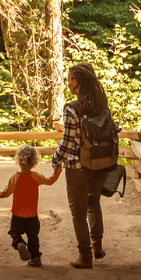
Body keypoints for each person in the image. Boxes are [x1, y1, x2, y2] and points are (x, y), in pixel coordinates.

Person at [51, 63, 115, 269]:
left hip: (77, 167)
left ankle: (84, 256)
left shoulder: (72, 108)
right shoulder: (101, 104)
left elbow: (68, 142)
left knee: (78, 212)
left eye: (69, 79)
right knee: (94, 203)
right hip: (100, 163)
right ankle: (97, 246)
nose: (68, 83)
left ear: (76, 82)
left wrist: (56, 159)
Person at [0, 145, 60, 267]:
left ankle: (19, 243)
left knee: (14, 232)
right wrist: (57, 170)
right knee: (33, 236)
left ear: (18, 161)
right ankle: (35, 258)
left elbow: (6, 192)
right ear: (34, 162)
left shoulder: (16, 177)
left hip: (17, 214)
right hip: (32, 215)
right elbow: (50, 180)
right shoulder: (36, 177)